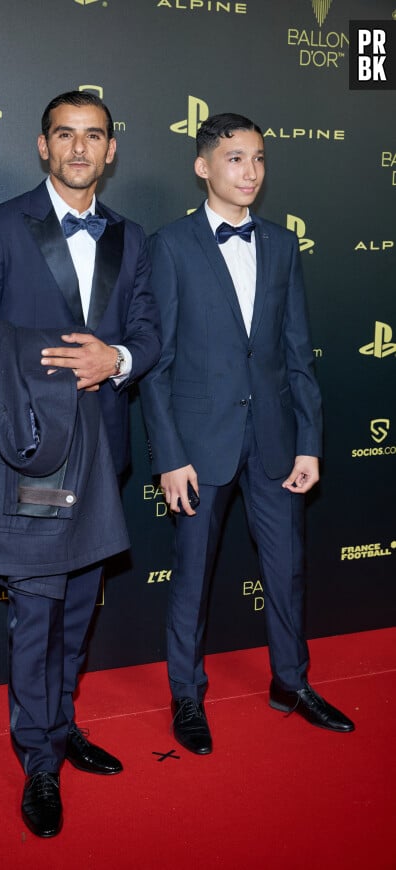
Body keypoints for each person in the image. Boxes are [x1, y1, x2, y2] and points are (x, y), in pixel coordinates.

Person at [0, 90, 160, 837]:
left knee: (75, 613)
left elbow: (149, 336)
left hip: (104, 455)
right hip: (33, 448)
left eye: (92, 136)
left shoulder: (131, 237)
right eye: (64, 135)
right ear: (43, 146)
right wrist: (65, 364)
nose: (78, 149)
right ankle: (37, 760)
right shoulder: (1, 226)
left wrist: (118, 358)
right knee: (36, 611)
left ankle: (61, 728)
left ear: (111, 151)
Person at [140, 112, 354, 757]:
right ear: (204, 167)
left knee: (287, 572)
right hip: (200, 448)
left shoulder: (284, 244)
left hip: (275, 439)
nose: (251, 171)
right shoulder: (170, 244)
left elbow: (298, 352)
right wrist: (170, 455)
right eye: (235, 158)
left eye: (259, 158)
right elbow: (157, 363)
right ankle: (186, 694)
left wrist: (309, 440)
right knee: (192, 576)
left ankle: (291, 683)